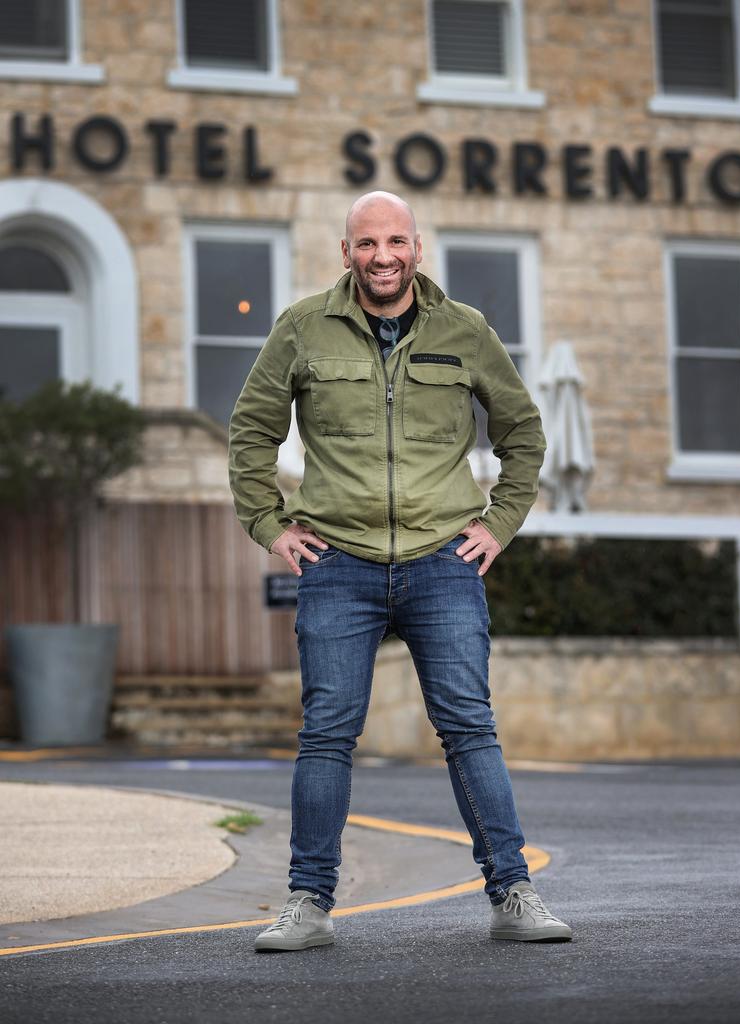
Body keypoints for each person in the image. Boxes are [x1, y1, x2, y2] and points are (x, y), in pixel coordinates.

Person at [228, 190, 572, 951]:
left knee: (469, 728)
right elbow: (251, 430)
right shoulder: (302, 328)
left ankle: (513, 893)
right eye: (366, 243)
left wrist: (499, 523)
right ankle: (308, 904)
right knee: (326, 735)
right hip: (336, 561)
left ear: (418, 248)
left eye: (395, 241)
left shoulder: (465, 331)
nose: (382, 255)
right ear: (344, 252)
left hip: (443, 561)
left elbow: (523, 432)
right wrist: (270, 525)